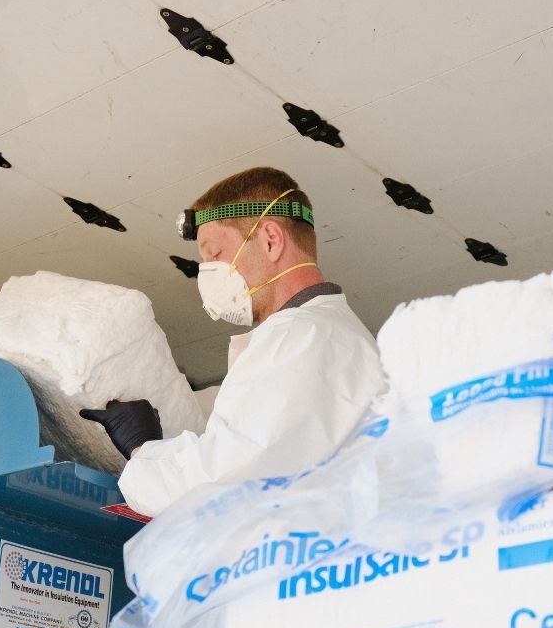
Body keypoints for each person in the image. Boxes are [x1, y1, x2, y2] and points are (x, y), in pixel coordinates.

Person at [80, 167, 385, 517]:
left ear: (271, 239)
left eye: (214, 254)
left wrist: (141, 448)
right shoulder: (338, 336)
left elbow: (217, 481)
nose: (207, 272)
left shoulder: (299, 338)